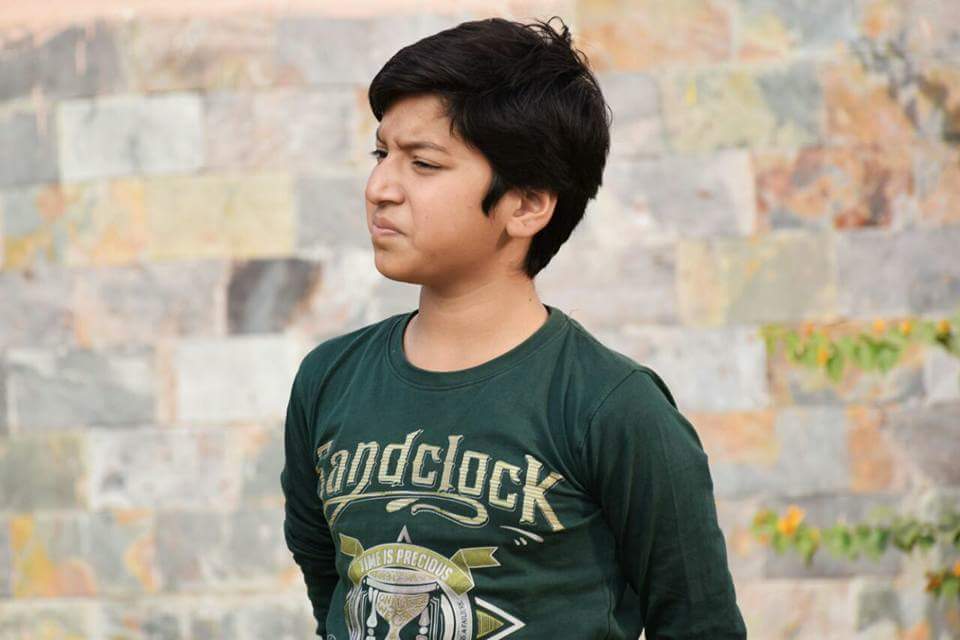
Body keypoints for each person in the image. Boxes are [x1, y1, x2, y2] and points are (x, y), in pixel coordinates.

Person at [281, 15, 747, 640]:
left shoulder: (610, 406)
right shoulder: (330, 380)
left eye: (423, 163)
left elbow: (698, 622)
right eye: (381, 153)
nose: (379, 188)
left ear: (526, 204)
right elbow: (328, 580)